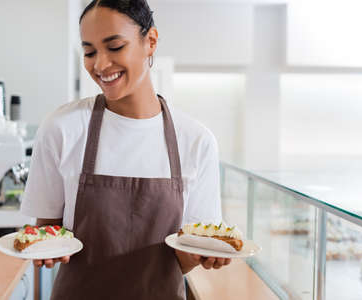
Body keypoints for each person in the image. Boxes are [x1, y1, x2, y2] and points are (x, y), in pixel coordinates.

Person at [21, 0, 231, 299]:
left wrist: (206, 255)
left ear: (151, 42)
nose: (100, 65)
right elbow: (47, 234)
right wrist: (43, 251)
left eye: (115, 47)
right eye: (89, 52)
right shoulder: (61, 129)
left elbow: (184, 255)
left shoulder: (196, 141)